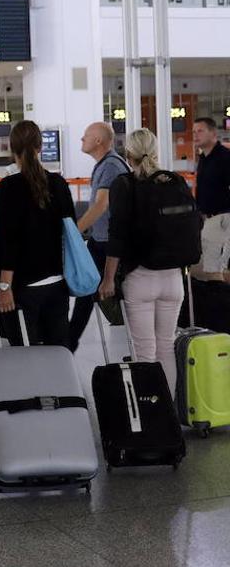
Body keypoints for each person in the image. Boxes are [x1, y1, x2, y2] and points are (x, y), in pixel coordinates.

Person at [100, 129, 187, 390]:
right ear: (157, 152)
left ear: (128, 155)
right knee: (166, 347)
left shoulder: (124, 184)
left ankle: (151, 419)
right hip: (173, 279)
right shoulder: (175, 182)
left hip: (140, 278)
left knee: (144, 353)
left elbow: (117, 236)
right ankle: (168, 415)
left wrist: (107, 279)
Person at [0, 120, 77, 347]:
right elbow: (70, 230)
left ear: (13, 149)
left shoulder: (9, 187)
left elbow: (7, 241)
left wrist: (4, 287)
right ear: (40, 148)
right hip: (58, 285)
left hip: (24, 289)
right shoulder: (58, 184)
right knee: (58, 351)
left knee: (26, 356)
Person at [68, 122, 130, 350]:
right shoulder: (105, 165)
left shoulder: (111, 166)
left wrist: (73, 233)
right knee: (85, 290)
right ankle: (69, 340)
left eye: (85, 136)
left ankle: (69, 341)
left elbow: (101, 205)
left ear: (98, 141)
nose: (81, 140)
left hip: (108, 243)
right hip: (99, 240)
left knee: (90, 291)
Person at [194, 117, 230, 279]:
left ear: (213, 133)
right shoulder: (203, 159)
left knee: (213, 270)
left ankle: (220, 302)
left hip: (221, 218)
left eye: (200, 131)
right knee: (207, 270)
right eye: (194, 131)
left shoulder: (224, 157)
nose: (195, 135)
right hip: (208, 219)